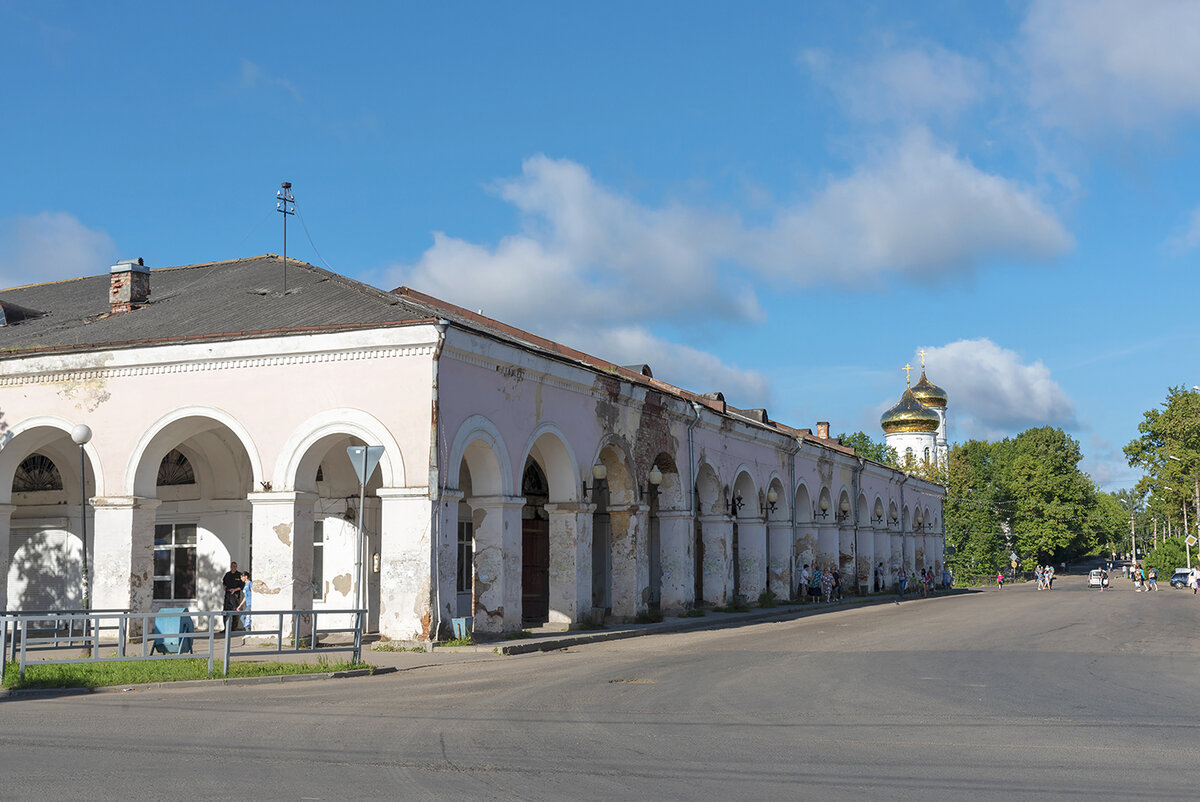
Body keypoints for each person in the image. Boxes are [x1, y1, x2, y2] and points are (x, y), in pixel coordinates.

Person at [222, 561, 244, 630]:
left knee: (235, 612)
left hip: (235, 596)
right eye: (233, 566)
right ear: (230, 566)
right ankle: (226, 628)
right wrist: (224, 586)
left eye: (235, 566)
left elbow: (241, 586)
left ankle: (233, 628)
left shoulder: (239, 575)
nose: (234, 567)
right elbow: (224, 582)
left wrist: (234, 590)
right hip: (228, 595)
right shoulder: (227, 574)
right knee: (225, 611)